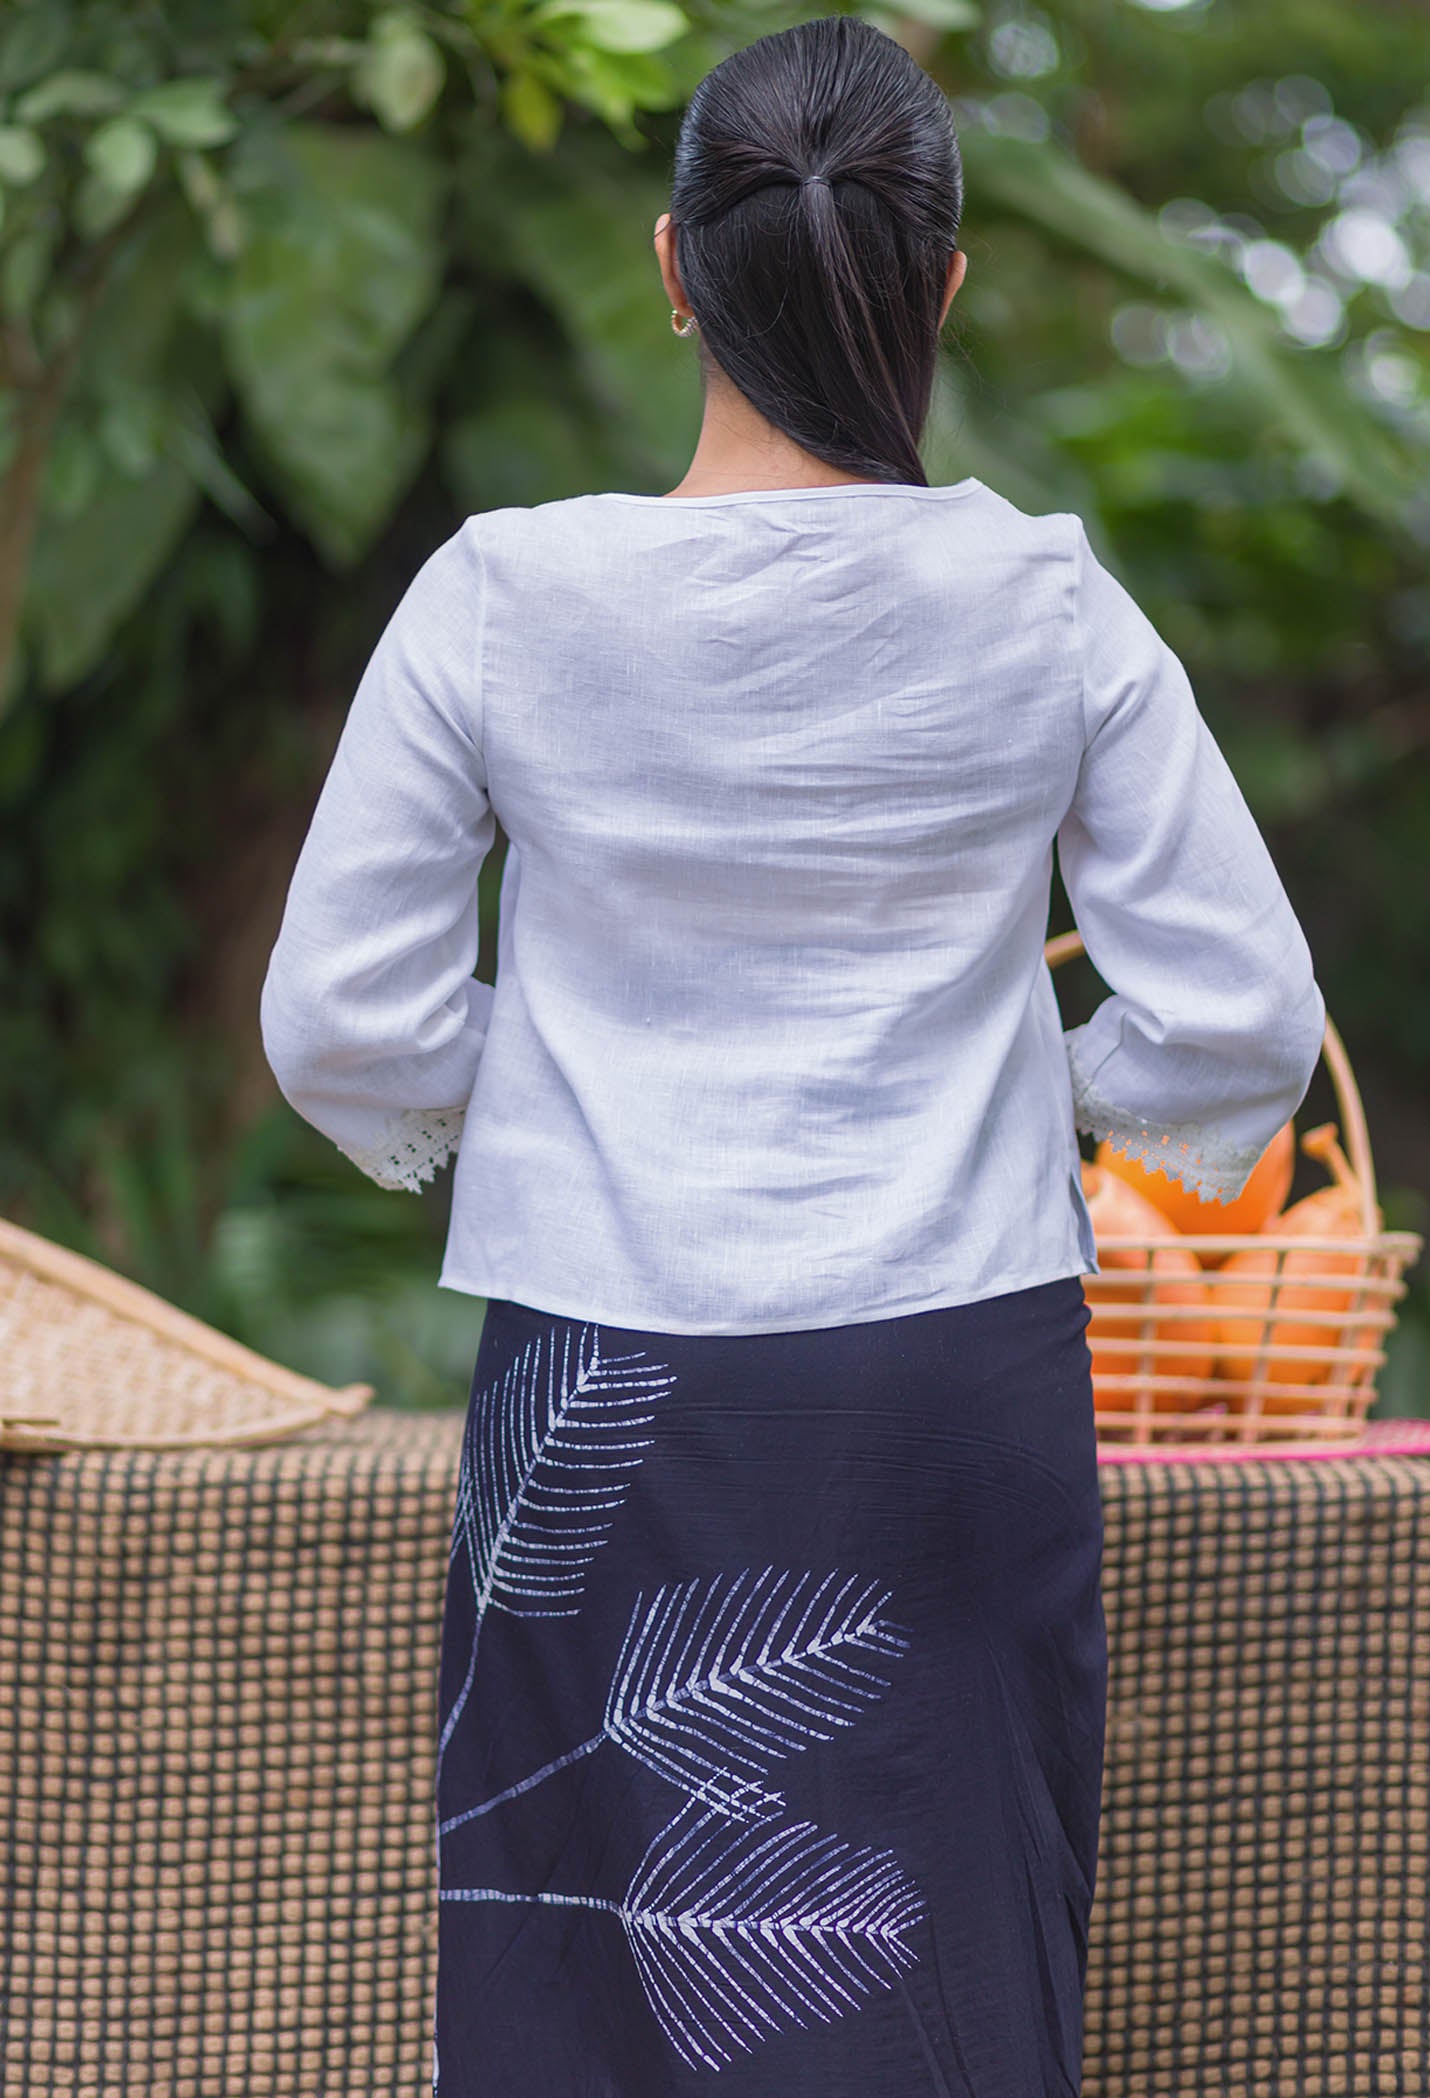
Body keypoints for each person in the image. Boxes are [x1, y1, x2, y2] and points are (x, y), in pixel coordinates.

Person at [259, 15, 1326, 2096]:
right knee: (941, 1973)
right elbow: (1248, 1019)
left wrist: (558, 1073)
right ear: (941, 279)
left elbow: (340, 1018)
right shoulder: (1049, 607)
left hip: (600, 1378)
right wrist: (1061, 1080)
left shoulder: (505, 597)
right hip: (950, 1374)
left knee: (593, 1990)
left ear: (674, 269)